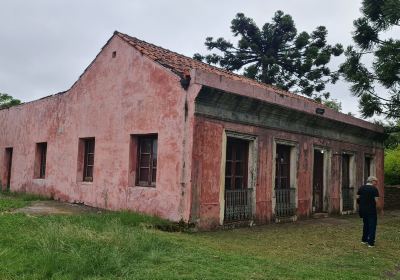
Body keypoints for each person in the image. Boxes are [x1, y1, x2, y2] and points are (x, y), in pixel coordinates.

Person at [357, 176, 379, 247]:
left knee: (365, 224)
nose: (376, 183)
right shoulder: (374, 189)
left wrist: (361, 204)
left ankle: (364, 240)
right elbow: (376, 200)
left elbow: (357, 198)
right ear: (372, 181)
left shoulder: (361, 188)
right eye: (376, 181)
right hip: (371, 210)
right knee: (372, 225)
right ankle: (370, 243)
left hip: (363, 210)